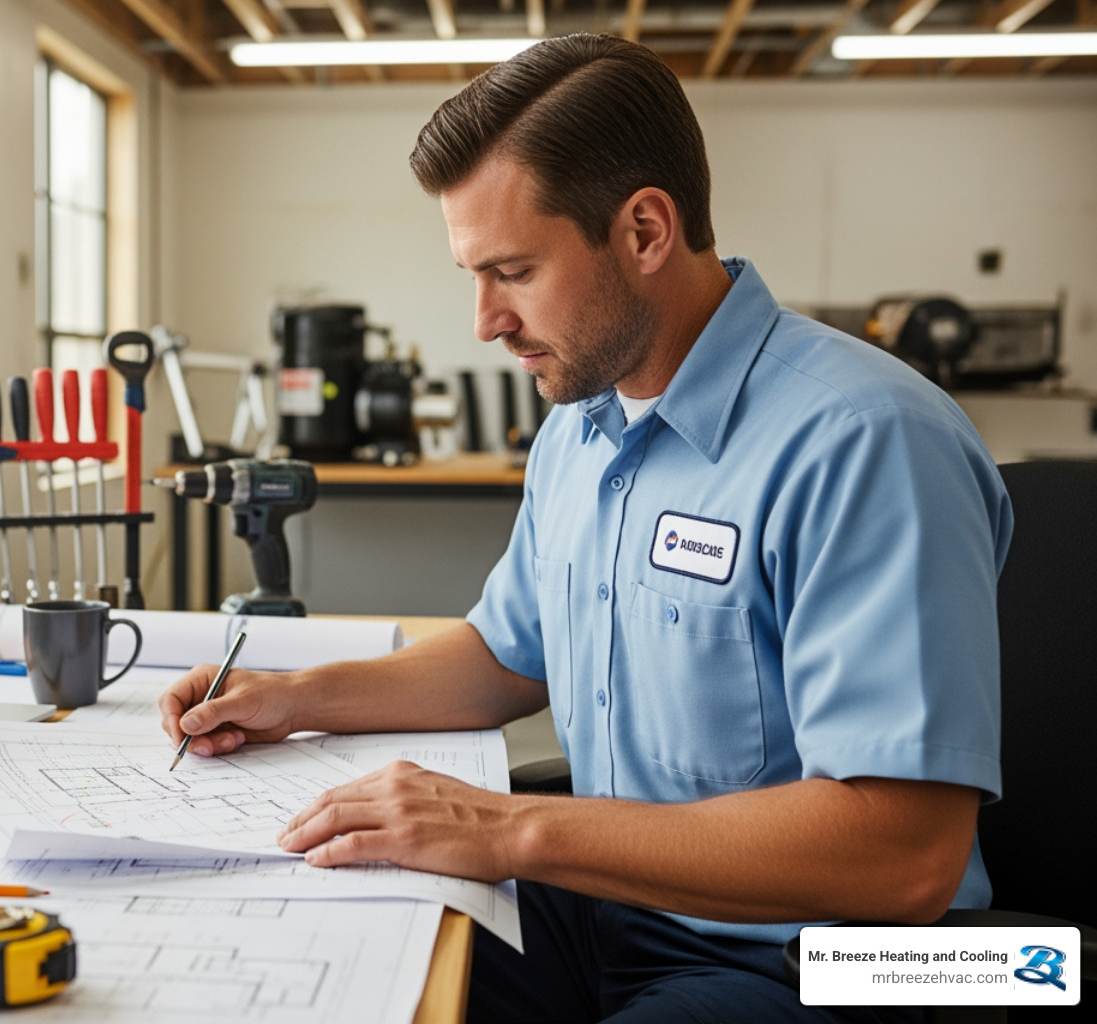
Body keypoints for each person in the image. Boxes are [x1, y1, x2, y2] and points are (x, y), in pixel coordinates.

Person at [161, 33, 1011, 1024]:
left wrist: (512, 829)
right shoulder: (582, 423)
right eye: (473, 273)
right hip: (618, 912)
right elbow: (504, 654)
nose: (483, 320)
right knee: (313, 960)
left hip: (833, 965)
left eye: (513, 270)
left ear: (645, 230)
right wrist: (297, 699)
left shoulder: (864, 442)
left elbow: (901, 854)